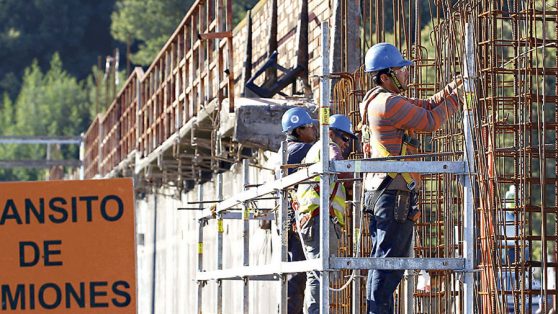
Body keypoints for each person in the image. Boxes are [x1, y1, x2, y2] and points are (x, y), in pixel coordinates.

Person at [360, 43, 463, 313]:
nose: (406, 73)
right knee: (388, 267)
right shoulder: (388, 103)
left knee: (383, 262)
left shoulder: (376, 100)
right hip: (393, 195)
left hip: (383, 192)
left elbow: (428, 105)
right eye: (401, 69)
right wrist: (460, 97)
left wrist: (454, 86)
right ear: (385, 76)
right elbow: (430, 121)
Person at [295, 114, 357, 314]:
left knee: (318, 271)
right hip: (319, 219)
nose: (346, 144)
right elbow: (341, 169)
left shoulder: (314, 150)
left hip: (313, 218)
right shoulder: (329, 146)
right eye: (344, 138)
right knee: (320, 272)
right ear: (331, 133)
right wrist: (362, 173)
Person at [280, 107, 318, 314]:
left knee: (293, 275)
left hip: (289, 221)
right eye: (310, 126)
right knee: (298, 275)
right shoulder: (300, 150)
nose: (314, 131)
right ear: (299, 130)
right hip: (296, 222)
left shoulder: (286, 149)